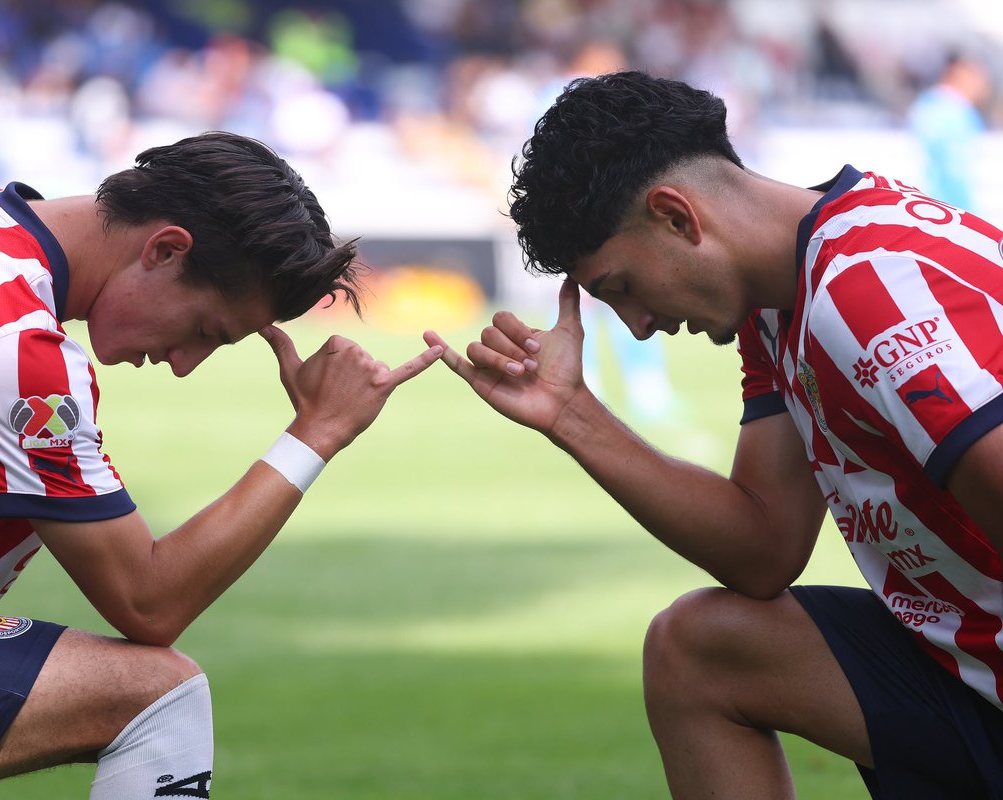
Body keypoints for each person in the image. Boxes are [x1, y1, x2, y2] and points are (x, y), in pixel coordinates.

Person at [0, 131, 442, 799]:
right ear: (165, 249)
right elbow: (150, 600)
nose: (185, 364)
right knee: (157, 695)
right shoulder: (15, 351)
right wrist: (318, 431)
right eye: (205, 331)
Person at [424, 70, 1003, 799]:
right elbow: (762, 549)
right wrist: (573, 415)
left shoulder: (864, 292)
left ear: (676, 217)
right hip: (966, 664)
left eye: (620, 288)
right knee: (699, 651)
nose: (637, 325)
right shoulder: (781, 298)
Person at [907, 52, 992, 214]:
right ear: (961, 75)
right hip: (947, 212)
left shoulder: (927, 105)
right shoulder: (953, 112)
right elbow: (955, 170)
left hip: (924, 207)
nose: (983, 85)